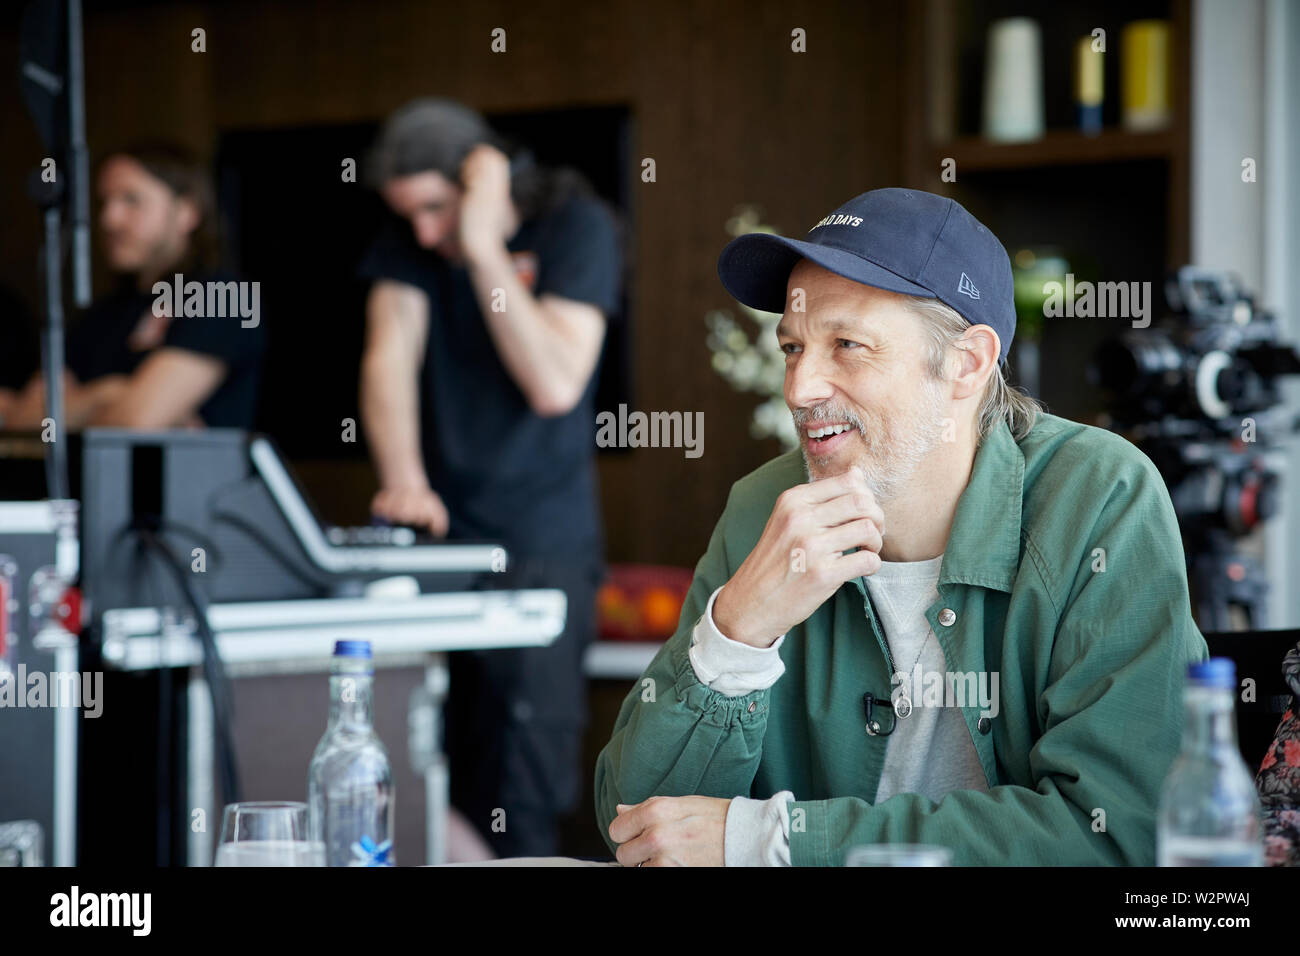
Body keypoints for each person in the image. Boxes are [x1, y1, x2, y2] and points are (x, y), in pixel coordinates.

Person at [595, 187, 1208, 866]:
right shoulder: (764, 506)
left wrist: (776, 842)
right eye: (793, 349)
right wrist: (735, 634)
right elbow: (637, 826)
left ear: (967, 363)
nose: (800, 389)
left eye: (848, 345)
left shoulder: (1096, 497)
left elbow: (1116, 835)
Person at [357, 98, 622, 857]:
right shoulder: (410, 245)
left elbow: (553, 382)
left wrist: (482, 247)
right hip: (439, 543)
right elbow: (388, 354)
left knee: (520, 784)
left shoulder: (577, 226)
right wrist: (403, 478)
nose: (425, 234)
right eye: (410, 216)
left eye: (439, 210)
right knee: (419, 771)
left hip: (542, 544)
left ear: (484, 177)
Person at [2, 143, 264, 431]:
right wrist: (107, 394)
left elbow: (136, 419)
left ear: (187, 211)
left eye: (131, 200)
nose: (109, 220)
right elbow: (22, 418)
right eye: (105, 202)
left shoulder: (221, 296)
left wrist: (83, 405)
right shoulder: (100, 315)